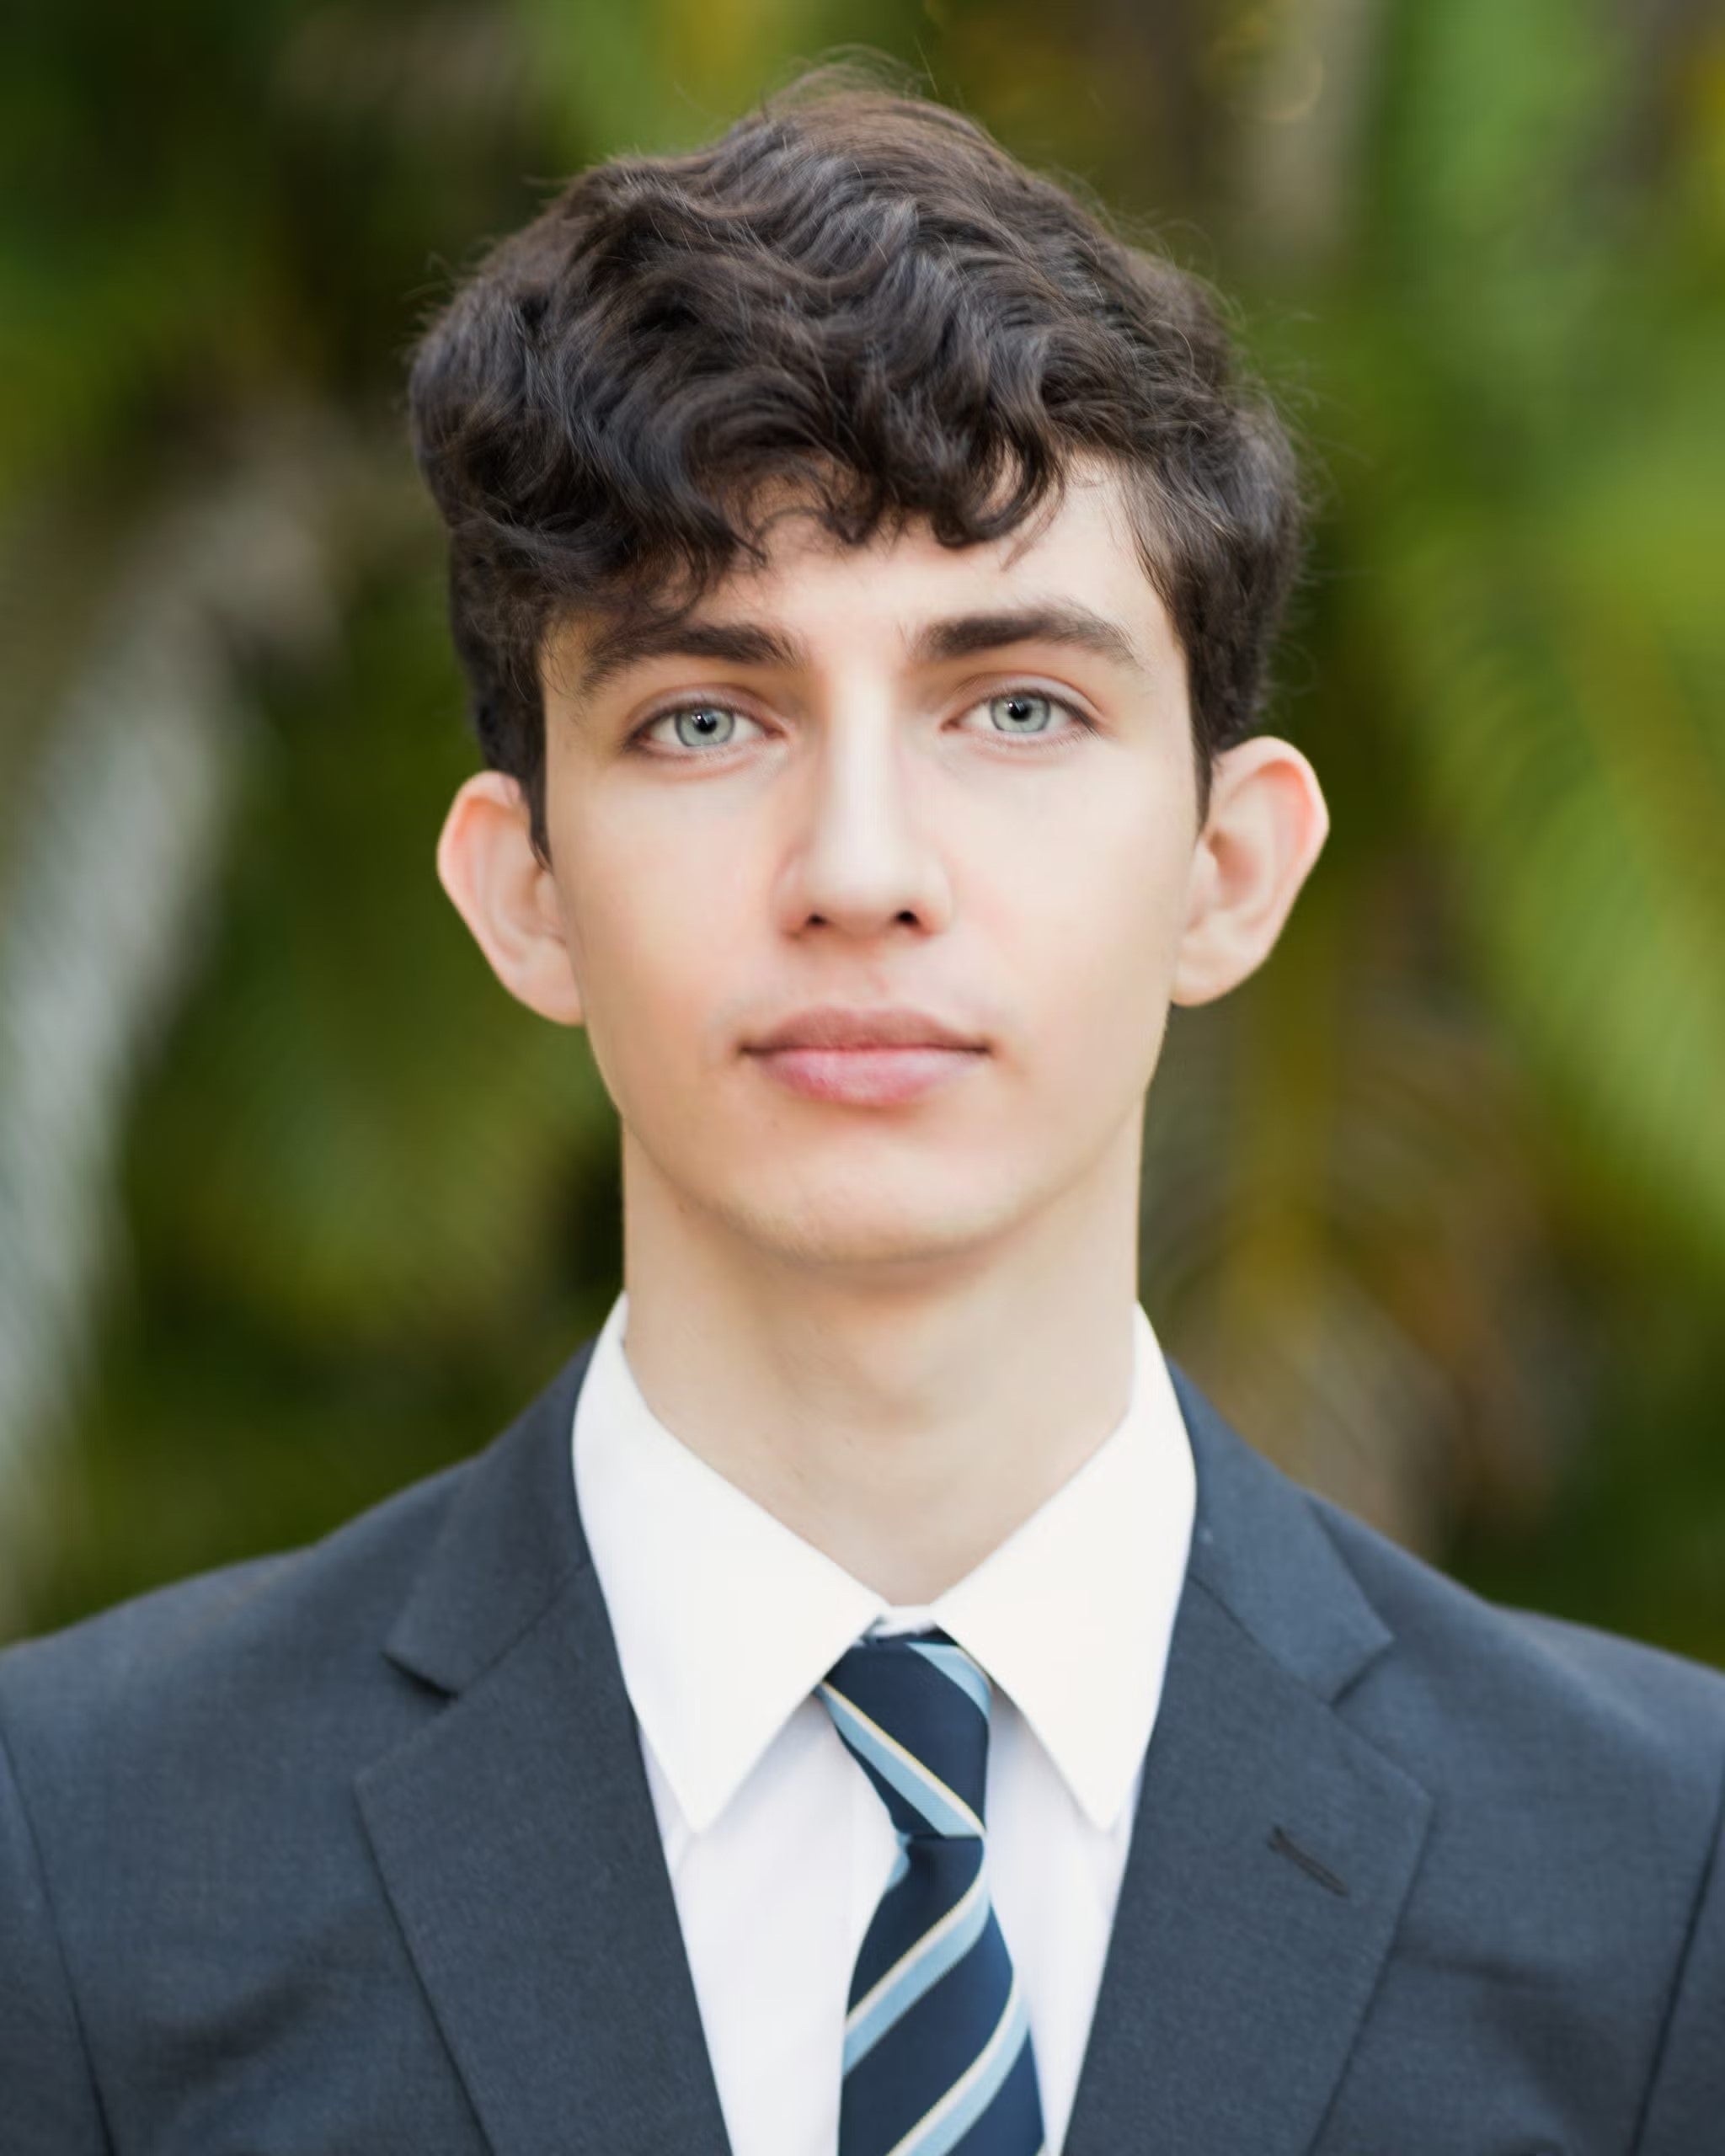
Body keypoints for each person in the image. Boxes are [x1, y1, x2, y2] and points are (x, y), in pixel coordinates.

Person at [2, 66, 1722, 2156]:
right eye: (705, 715)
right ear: (519, 889)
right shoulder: (73, 1861)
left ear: (1229, 867)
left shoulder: (1664, 1884)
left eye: (1016, 706)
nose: (860, 863)